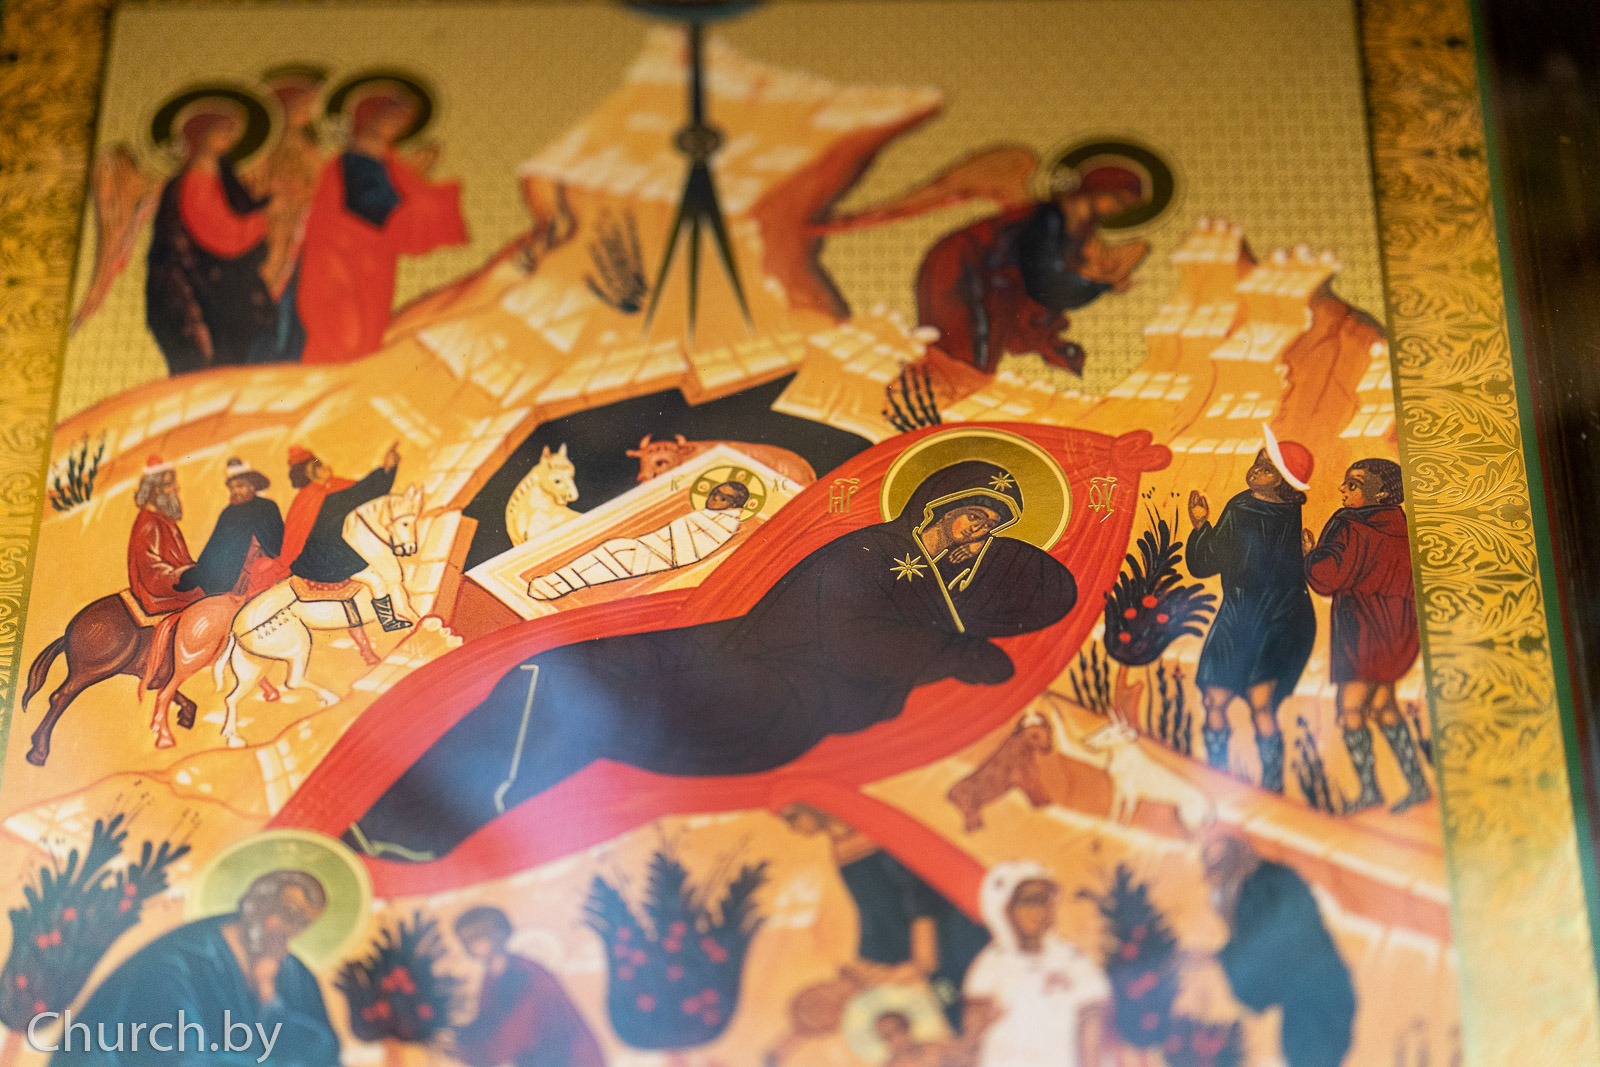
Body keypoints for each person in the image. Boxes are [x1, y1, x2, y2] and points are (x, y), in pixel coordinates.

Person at [345, 460, 1078, 862]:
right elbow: (845, 625)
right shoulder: (870, 550)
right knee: (546, 673)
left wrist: (954, 646)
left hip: (773, 694)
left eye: (989, 526)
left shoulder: (937, 594)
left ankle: (419, 830)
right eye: (973, 514)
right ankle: (406, 819)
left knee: (579, 701)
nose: (976, 531)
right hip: (735, 653)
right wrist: (950, 649)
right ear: (938, 505)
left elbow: (856, 648)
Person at [766, 805, 990, 1063]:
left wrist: (923, 955)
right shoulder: (880, 976)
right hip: (942, 974)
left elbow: (916, 887)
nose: (792, 828)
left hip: (953, 936)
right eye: (825, 1013)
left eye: (792, 817)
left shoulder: (873, 953)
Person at [50, 870, 340, 1065]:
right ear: (253, 901)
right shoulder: (178, 959)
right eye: (276, 908)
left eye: (297, 920)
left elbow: (323, 1051)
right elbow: (178, 1055)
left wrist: (268, 996)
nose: (275, 924)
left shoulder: (293, 975)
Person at [916, 166, 1148, 374]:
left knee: (981, 359)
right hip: (958, 267)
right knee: (962, 358)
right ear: (1099, 190)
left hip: (993, 282)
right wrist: (1099, 286)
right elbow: (1046, 283)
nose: (1120, 209)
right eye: (1119, 199)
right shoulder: (1050, 217)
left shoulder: (1079, 228)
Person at [1186, 428, 1318, 793]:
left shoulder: (1263, 511)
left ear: (1280, 480)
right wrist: (1201, 526)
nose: (1256, 470)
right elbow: (1214, 562)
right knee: (1218, 698)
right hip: (1247, 615)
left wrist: (1201, 526)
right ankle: (1220, 776)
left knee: (1258, 703)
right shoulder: (1258, 508)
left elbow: (1208, 563)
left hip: (1275, 616)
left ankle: (1269, 788)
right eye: (1258, 463)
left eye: (1266, 467)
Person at [296, 85, 468, 363]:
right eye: (395, 113)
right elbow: (372, 207)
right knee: (343, 337)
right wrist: (416, 184)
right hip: (339, 262)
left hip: (371, 266)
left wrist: (412, 181)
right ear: (371, 114)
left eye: (406, 118)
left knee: (367, 337)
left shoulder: (385, 160)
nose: (401, 122)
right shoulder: (359, 154)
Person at [1303, 458, 1430, 812]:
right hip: (1396, 628)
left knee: (1350, 711)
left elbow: (1328, 576)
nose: (1343, 489)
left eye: (1354, 485)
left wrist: (1309, 555)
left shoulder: (1350, 525)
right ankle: (1418, 785)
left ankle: (1371, 791)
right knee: (1382, 705)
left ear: (1382, 492)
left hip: (1361, 630)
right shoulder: (1402, 524)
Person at [145, 102, 278, 374]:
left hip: (221, 293)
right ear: (200, 133)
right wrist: (266, 219)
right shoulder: (191, 182)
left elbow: (244, 215)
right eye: (222, 129)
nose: (230, 136)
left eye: (232, 130)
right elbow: (223, 237)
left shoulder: (225, 177)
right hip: (194, 296)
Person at [1202, 835, 1355, 1067]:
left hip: (1316, 997)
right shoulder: (1266, 885)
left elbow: (1257, 987)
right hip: (1318, 997)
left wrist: (1225, 957)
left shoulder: (1262, 890)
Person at [962, 861, 1110, 1067]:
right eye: (1027, 902)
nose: (1037, 911)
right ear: (1005, 907)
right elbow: (973, 1039)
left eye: (1044, 901)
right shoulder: (990, 965)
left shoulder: (1072, 960)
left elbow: (1092, 1030)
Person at [527, 480, 750, 600]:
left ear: (734, 504)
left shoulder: (725, 524)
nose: (715, 498)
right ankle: (553, 583)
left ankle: (554, 587)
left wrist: (670, 540)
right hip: (651, 546)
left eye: (723, 498)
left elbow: (695, 550)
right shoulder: (710, 515)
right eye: (715, 493)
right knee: (609, 550)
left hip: (662, 556)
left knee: (610, 557)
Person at [444, 906, 605, 1067]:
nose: (472, 944)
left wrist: (475, 1053)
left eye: (477, 935)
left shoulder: (528, 972)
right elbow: (487, 1017)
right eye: (466, 939)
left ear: (497, 933)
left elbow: (519, 1027)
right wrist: (460, 1038)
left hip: (570, 1058)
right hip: (535, 1058)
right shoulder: (492, 975)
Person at [179, 457, 284, 597]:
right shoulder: (228, 513)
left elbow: (279, 541)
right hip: (235, 570)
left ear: (251, 485)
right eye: (232, 488)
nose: (235, 491)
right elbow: (215, 545)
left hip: (265, 565)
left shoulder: (267, 507)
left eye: (240, 486)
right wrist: (201, 567)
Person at [127, 455, 204, 618]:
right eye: (169, 484)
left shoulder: (163, 518)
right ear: (156, 490)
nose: (176, 487)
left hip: (175, 589)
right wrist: (183, 577)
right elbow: (152, 573)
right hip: (159, 598)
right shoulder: (148, 523)